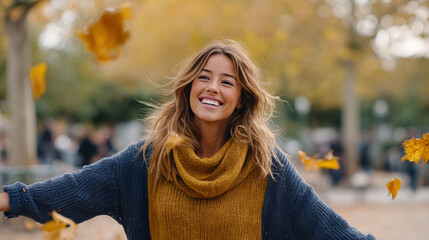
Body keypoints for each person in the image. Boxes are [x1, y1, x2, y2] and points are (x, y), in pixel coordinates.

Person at [0, 39, 376, 239]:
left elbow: (330, 231)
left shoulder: (267, 167)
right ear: (189, 86)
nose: (213, 88)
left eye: (227, 81)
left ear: (242, 98)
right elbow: (67, 193)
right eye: (204, 77)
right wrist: (9, 199)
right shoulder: (145, 161)